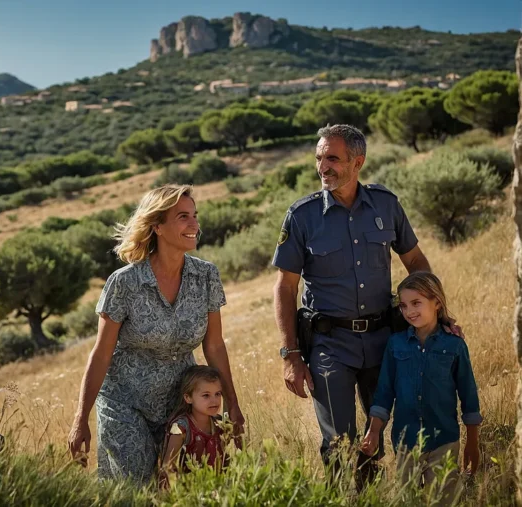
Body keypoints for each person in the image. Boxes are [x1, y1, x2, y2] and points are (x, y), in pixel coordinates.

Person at [272, 124, 438, 482]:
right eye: (319, 157)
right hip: (330, 344)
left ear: (357, 161)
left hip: (384, 340)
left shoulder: (385, 204)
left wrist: (434, 317)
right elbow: (285, 288)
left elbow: (417, 263)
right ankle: (343, 495)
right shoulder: (302, 216)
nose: (322, 166)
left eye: (332, 157)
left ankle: (374, 490)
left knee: (381, 434)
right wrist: (291, 355)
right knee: (338, 440)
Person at [68, 184, 244, 484]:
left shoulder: (206, 276)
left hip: (180, 402)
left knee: (181, 485)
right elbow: (101, 353)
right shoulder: (124, 282)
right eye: (183, 217)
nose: (194, 225)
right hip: (125, 403)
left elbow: (214, 345)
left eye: (195, 216)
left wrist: (233, 403)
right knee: (136, 485)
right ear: (158, 227)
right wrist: (80, 418)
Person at [361, 272, 481, 503]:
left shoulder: (455, 345)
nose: (409, 311)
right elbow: (384, 392)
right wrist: (374, 430)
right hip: (406, 444)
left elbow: (469, 396)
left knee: (444, 501)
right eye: (404, 306)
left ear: (436, 302)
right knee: (409, 501)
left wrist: (472, 443)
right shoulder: (396, 345)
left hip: (444, 441)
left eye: (416, 303)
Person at [158, 365, 231, 489]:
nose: (214, 401)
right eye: (206, 395)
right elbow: (167, 465)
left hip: (216, 489)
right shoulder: (181, 428)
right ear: (188, 398)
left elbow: (224, 461)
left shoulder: (219, 426)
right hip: (190, 491)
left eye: (217, 394)